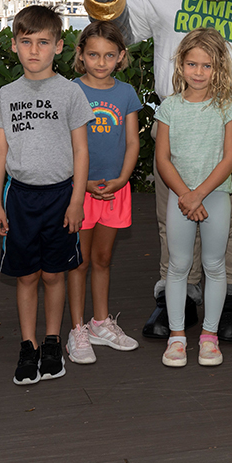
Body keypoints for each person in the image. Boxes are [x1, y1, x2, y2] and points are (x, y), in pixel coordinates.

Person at [0, 5, 93, 384]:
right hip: (20, 199)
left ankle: (52, 340)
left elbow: (81, 150)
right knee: (26, 276)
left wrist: (77, 200)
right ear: (14, 45)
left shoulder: (70, 93)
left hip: (60, 198)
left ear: (59, 47)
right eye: (26, 42)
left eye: (43, 42)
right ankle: (28, 345)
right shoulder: (6, 94)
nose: (34, 50)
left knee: (54, 274)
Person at [154, 28, 232, 367]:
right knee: (177, 266)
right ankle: (177, 336)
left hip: (215, 196)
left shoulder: (229, 108)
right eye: (192, 64)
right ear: (180, 65)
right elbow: (163, 159)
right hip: (181, 198)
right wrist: (186, 195)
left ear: (218, 68)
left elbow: (229, 159)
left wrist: (199, 195)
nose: (198, 72)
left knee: (214, 264)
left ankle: (209, 335)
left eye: (206, 65)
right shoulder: (169, 108)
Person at [66, 21, 142, 364]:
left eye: (109, 55)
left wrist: (123, 179)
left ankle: (100, 322)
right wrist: (80, 186)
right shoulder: (69, 91)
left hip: (115, 189)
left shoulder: (126, 94)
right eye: (93, 54)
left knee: (102, 259)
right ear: (81, 55)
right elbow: (62, 143)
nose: (101, 62)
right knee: (77, 261)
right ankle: (77, 328)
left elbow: (132, 142)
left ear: (120, 57)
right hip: (77, 192)